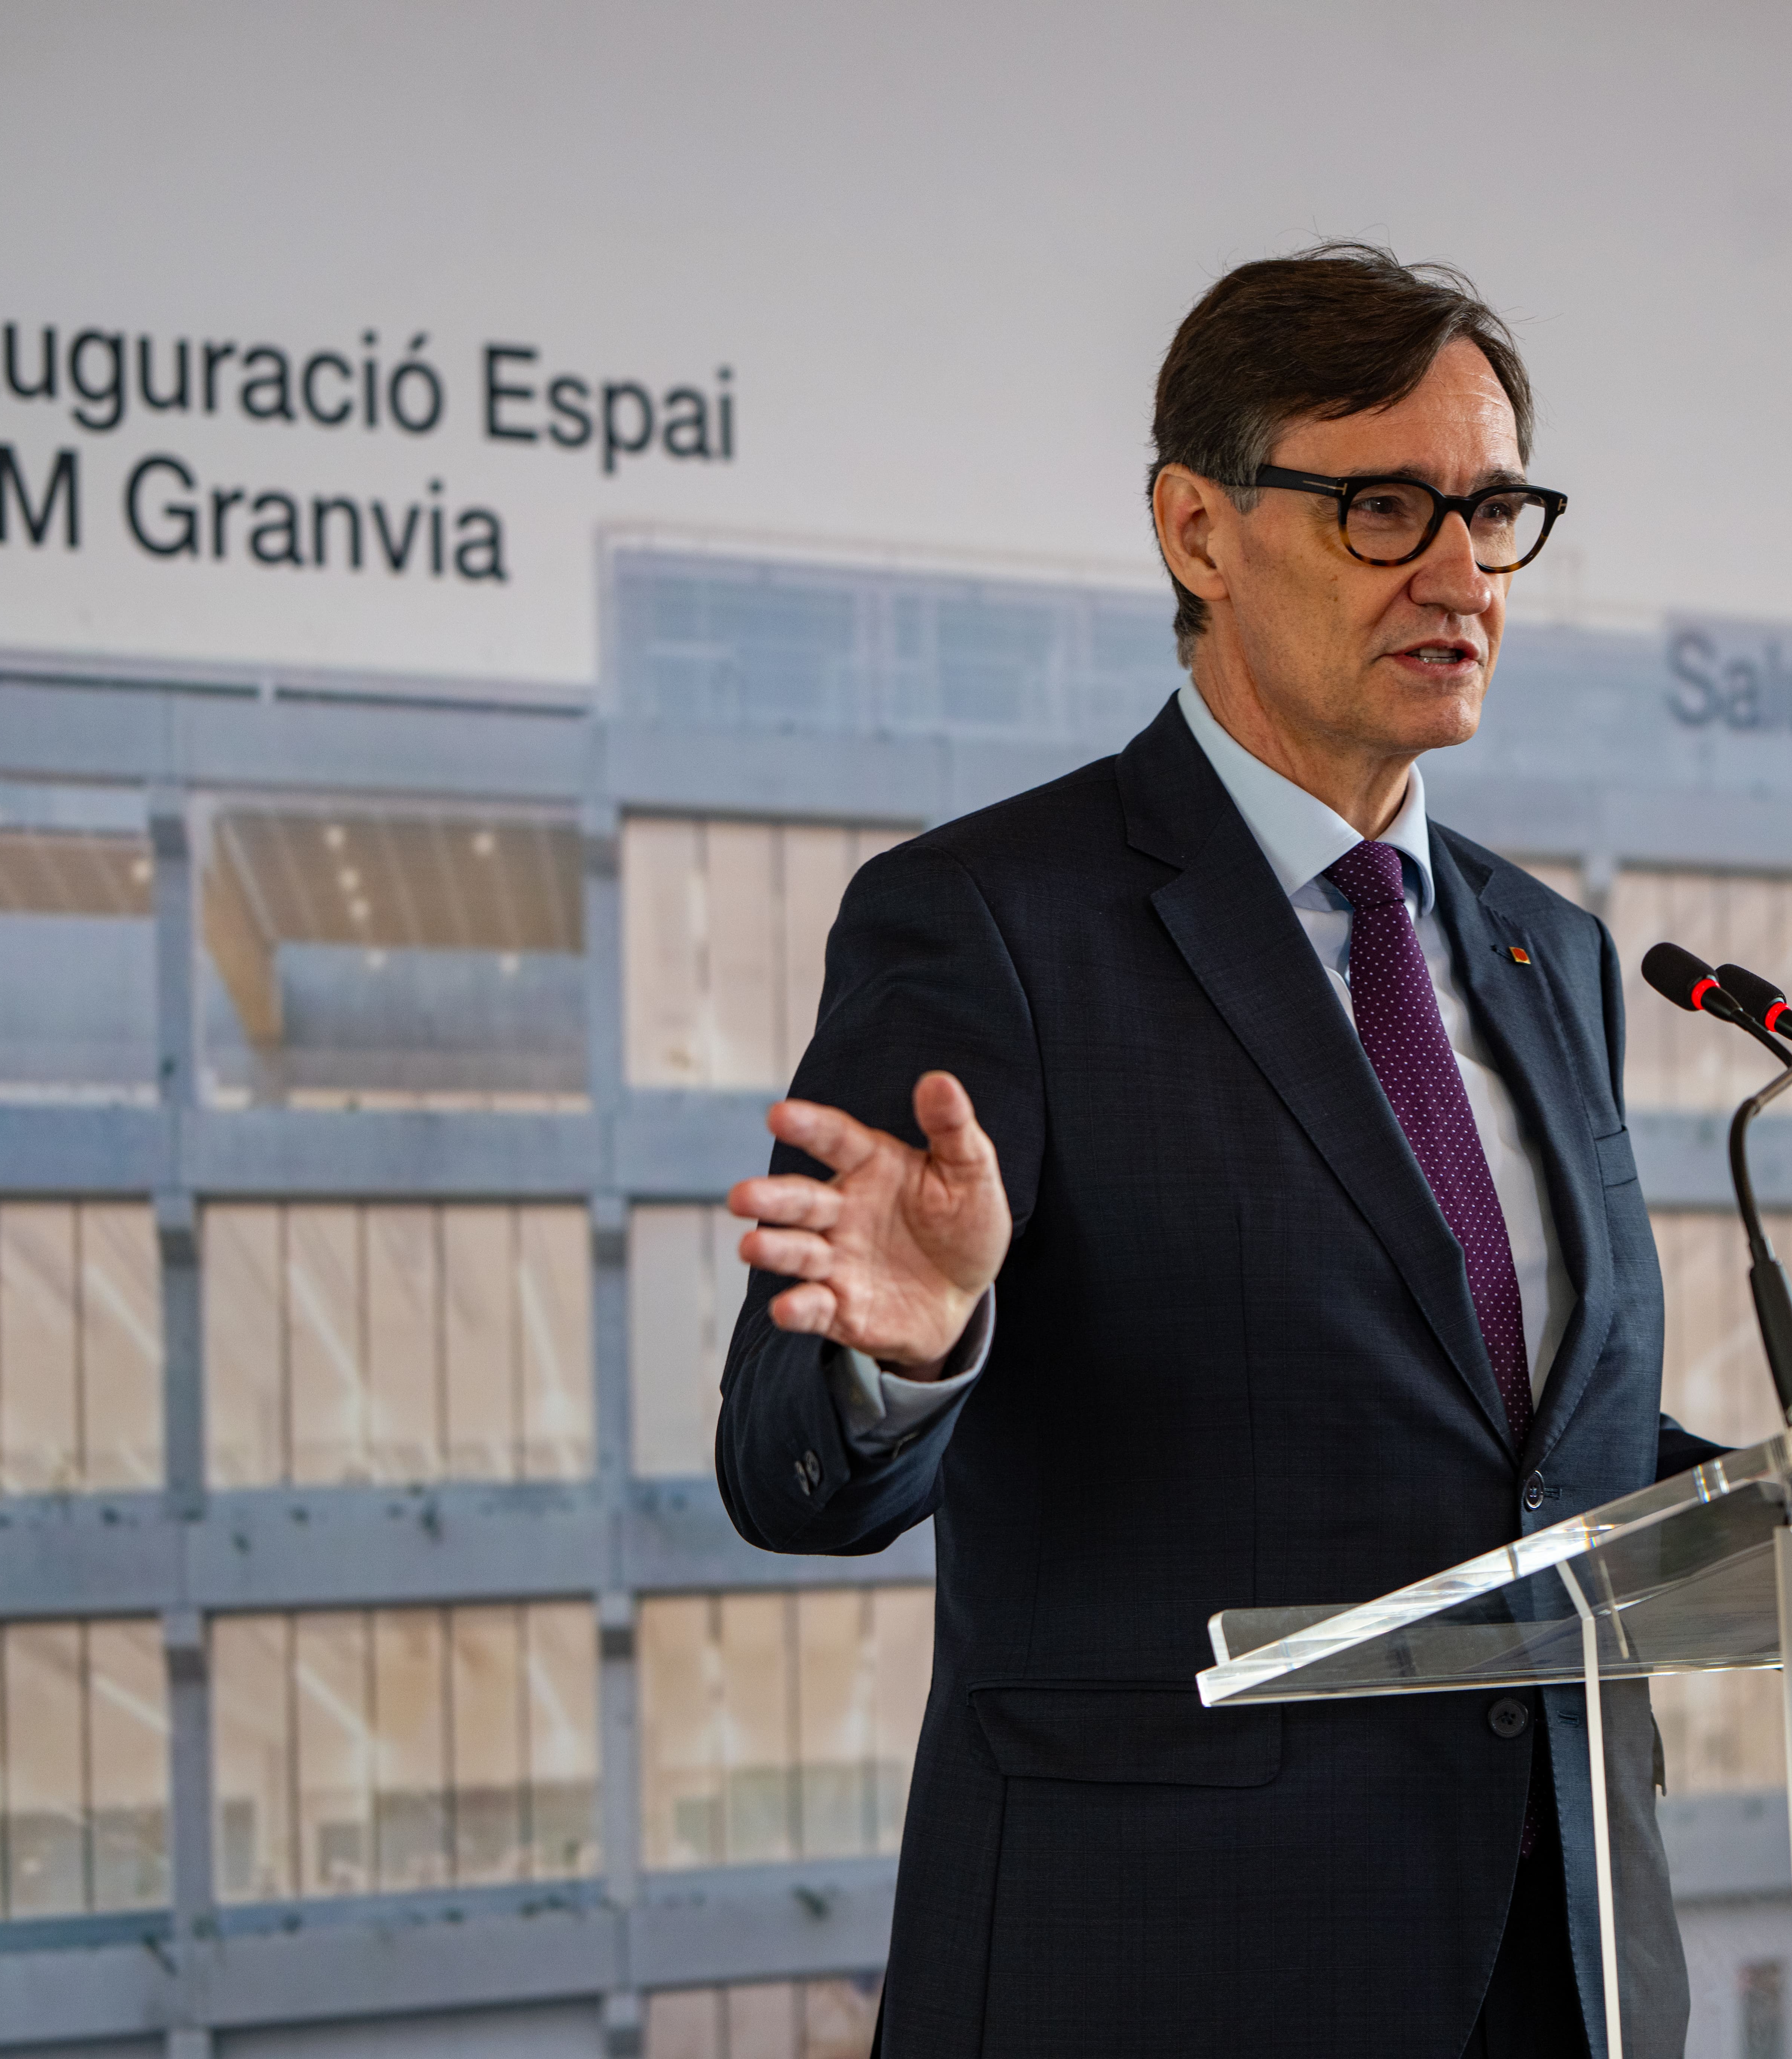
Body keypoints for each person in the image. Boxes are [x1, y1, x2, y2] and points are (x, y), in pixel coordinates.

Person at [716, 244, 1715, 2058]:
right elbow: (789, 1475)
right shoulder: (991, 919)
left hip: (1557, 1964)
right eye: (1384, 507)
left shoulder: (1548, 952)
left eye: (1494, 512)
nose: (1459, 573)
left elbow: (1527, 1446)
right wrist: (909, 1344)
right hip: (1167, 1968)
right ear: (1199, 528)